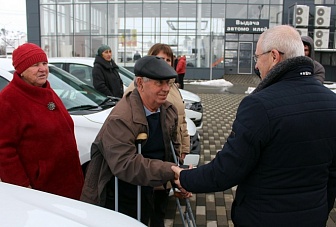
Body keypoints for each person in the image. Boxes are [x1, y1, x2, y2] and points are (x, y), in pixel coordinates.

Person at [172, 25, 336, 226]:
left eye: (257, 57)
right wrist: (320, 210)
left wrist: (187, 178)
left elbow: (228, 170)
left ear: (274, 56)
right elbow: (332, 174)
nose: (257, 66)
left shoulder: (259, 105)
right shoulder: (331, 102)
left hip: (263, 218)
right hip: (313, 217)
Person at [81, 55, 190, 226]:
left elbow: (172, 150)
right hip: (123, 192)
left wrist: (177, 179)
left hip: (154, 186)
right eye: (158, 83)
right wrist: (171, 170)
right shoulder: (121, 118)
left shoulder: (168, 110)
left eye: (168, 83)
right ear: (140, 83)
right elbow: (125, 164)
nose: (166, 89)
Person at [0, 43, 84, 200]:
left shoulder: (46, 90)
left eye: (45, 63)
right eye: (35, 65)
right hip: (41, 190)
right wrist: (23, 189)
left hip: (68, 182)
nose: (43, 69)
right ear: (21, 70)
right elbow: (4, 151)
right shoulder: (8, 100)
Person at [124, 43, 190, 227]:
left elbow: (181, 119)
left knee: (160, 204)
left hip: (169, 148)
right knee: (146, 205)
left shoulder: (172, 85)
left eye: (168, 60)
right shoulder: (136, 88)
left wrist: (183, 147)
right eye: (160, 59)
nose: (165, 63)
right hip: (150, 154)